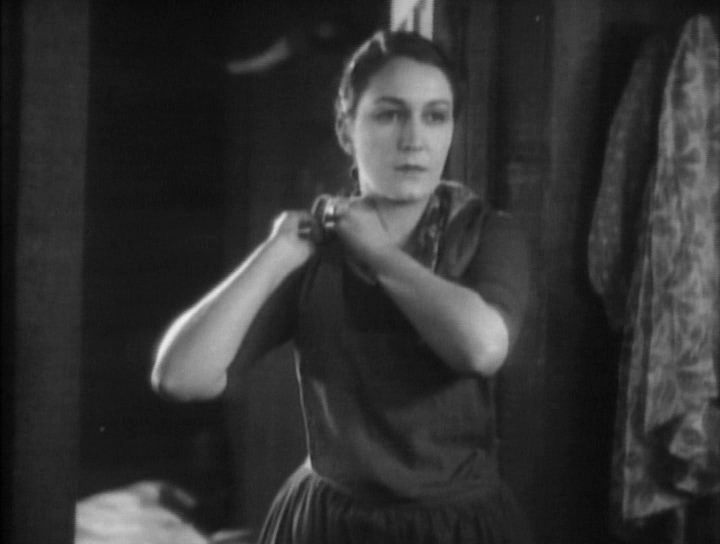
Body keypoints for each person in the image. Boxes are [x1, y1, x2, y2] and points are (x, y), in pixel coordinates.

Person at [152, 30, 533, 544]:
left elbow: (481, 349)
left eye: (435, 116)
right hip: (329, 526)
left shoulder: (487, 234)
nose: (414, 139)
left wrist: (379, 254)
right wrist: (274, 255)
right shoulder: (315, 248)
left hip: (456, 527)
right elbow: (181, 377)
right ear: (345, 128)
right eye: (389, 115)